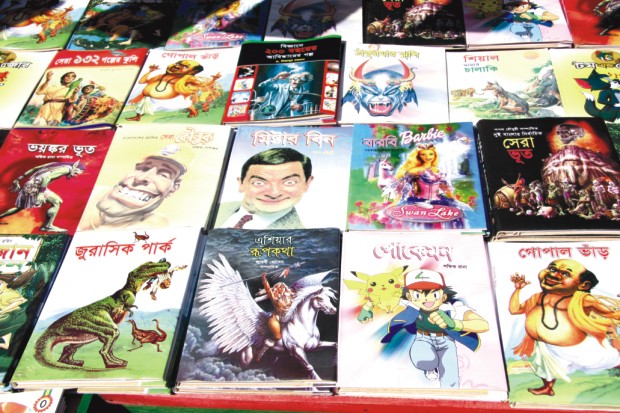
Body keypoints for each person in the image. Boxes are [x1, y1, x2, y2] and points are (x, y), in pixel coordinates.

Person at [509, 259, 620, 396]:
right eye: (552, 269)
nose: (553, 275)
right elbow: (514, 310)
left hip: (579, 348)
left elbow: (612, 314)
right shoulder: (538, 297)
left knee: (609, 360)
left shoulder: (583, 299)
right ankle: (547, 388)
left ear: (583, 285)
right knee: (546, 368)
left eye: (565, 274)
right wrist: (518, 289)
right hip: (550, 347)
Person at [381, 269, 489, 388]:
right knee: (424, 360)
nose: (427, 299)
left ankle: (449, 396)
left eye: (434, 294)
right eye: (418, 295)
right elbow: (385, 295)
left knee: (451, 380)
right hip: (423, 338)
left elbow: (483, 325)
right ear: (409, 296)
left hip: (446, 342)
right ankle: (430, 368)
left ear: (444, 295)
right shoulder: (411, 303)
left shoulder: (454, 306)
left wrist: (455, 324)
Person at [78, 149, 188, 230]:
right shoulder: (90, 196)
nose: (141, 178)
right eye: (143, 168)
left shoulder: (158, 228)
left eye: (164, 175)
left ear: (173, 189)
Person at [215, 147, 313, 229]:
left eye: (289, 182)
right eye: (259, 183)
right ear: (241, 184)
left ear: (307, 184)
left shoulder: (301, 239)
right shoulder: (219, 208)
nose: (274, 193)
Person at [0, 161, 85, 232]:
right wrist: (41, 194)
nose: (75, 175)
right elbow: (47, 177)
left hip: (29, 186)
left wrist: (18, 179)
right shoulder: (67, 169)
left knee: (20, 207)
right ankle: (47, 226)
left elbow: (35, 168)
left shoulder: (54, 164)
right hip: (35, 188)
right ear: (75, 167)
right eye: (76, 172)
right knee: (57, 201)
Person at [125, 60, 219, 121]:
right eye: (178, 64)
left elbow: (202, 85)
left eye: (184, 66)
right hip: (154, 100)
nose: (177, 66)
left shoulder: (188, 78)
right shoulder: (162, 75)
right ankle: (138, 117)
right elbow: (142, 81)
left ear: (192, 72)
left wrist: (214, 79)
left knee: (186, 104)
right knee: (141, 108)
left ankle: (193, 111)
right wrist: (150, 71)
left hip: (174, 100)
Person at [255, 273, 294, 361]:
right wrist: (264, 279)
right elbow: (268, 289)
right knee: (277, 337)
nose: (281, 288)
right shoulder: (274, 297)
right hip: (276, 318)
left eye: (282, 287)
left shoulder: (291, 296)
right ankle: (261, 352)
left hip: (288, 318)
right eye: (279, 287)